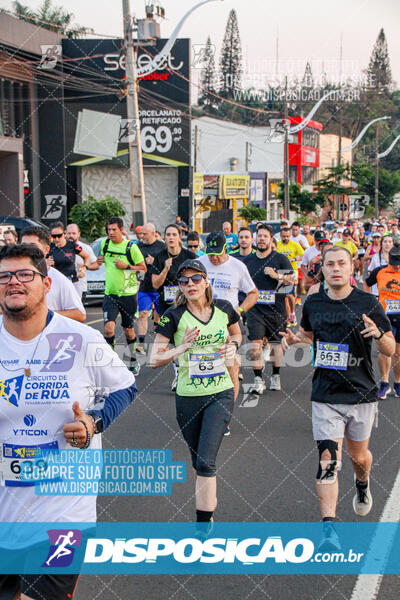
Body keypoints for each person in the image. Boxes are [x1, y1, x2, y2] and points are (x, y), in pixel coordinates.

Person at [0, 244, 137, 600]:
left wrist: (94, 421)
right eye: (4, 276)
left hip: (63, 511)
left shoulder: (82, 339)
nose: (13, 282)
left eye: (24, 275)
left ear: (47, 284)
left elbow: (124, 387)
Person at [281, 246, 394, 548]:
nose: (335, 269)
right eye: (329, 264)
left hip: (361, 393)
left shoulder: (368, 302)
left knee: (359, 457)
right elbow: (307, 336)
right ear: (324, 269)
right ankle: (328, 528)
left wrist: (379, 335)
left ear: (351, 268)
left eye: (341, 263)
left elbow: (390, 350)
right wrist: (296, 341)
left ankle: (362, 482)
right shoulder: (314, 302)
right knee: (328, 459)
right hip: (325, 393)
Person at [150, 258, 241, 534]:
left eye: (196, 279)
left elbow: (236, 334)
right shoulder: (173, 316)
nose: (190, 285)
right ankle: (208, 503)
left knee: (205, 461)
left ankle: (203, 526)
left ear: (206, 281)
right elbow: (154, 359)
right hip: (188, 397)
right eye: (184, 281)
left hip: (220, 393)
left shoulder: (224, 309)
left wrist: (233, 347)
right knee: (198, 462)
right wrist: (181, 348)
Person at [198, 232, 258, 407]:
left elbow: (253, 293)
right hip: (202, 324)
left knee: (230, 368)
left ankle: (224, 414)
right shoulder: (199, 264)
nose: (214, 258)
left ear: (226, 248)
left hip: (228, 325)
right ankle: (206, 410)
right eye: (210, 253)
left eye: (217, 253)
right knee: (203, 369)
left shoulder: (237, 266)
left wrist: (240, 310)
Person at [245, 223, 294, 393]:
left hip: (276, 309)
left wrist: (275, 275)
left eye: (265, 236)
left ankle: (275, 375)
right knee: (255, 343)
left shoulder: (279, 258)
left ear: (271, 240)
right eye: (259, 236)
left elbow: (292, 280)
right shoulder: (249, 260)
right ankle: (258, 379)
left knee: (275, 345)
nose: (261, 239)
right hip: (255, 309)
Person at [96, 217, 146, 376]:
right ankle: (110, 362)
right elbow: (102, 262)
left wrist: (127, 267)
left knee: (128, 331)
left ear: (121, 229)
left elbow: (143, 269)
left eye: (114, 230)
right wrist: (95, 263)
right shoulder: (105, 245)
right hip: (110, 294)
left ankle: (133, 360)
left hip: (128, 295)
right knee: (108, 329)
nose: (110, 233)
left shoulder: (131, 247)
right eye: (108, 230)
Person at [152, 224, 196, 390]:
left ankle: (189, 371)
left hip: (186, 304)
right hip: (166, 305)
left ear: (179, 237)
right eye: (167, 234)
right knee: (170, 341)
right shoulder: (160, 257)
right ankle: (178, 373)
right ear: (164, 238)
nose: (170, 237)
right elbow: (155, 284)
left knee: (185, 337)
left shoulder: (189, 256)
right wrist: (165, 269)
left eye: (173, 234)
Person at [20, 226, 86, 323]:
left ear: (46, 250)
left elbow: (80, 314)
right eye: (23, 245)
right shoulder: (10, 278)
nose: (27, 250)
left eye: (32, 246)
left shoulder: (59, 280)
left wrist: (45, 314)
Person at [364, 245, 400, 399]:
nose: (396, 265)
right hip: (385, 316)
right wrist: (368, 302)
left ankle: (398, 383)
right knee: (384, 350)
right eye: (393, 262)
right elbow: (367, 283)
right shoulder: (380, 271)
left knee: (398, 353)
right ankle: (384, 383)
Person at [137, 223, 165, 349]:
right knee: (143, 314)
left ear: (153, 233)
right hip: (144, 287)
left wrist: (154, 263)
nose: (142, 236)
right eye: (141, 233)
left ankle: (161, 344)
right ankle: (141, 344)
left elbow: (167, 266)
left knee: (161, 316)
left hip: (160, 288)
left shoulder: (162, 247)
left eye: (145, 233)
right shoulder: (138, 247)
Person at [49, 221, 90, 296]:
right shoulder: (50, 248)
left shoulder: (72, 245)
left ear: (64, 234)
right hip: (56, 284)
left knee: (76, 307)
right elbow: (40, 263)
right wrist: (46, 263)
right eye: (54, 236)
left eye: (59, 235)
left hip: (72, 282)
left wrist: (84, 268)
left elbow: (86, 257)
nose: (57, 239)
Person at [277, 227, 304, 325]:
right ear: (280, 236)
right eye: (284, 236)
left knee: (289, 294)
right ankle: (288, 317)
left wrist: (295, 259)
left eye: (288, 236)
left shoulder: (294, 245)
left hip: (292, 271)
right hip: (281, 272)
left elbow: (303, 255)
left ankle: (292, 313)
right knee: (284, 297)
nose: (286, 238)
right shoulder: (278, 245)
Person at [66, 223, 99, 302]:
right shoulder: (60, 247)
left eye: (74, 233)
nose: (71, 235)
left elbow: (96, 265)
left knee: (79, 313)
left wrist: (85, 267)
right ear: (65, 233)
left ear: (78, 234)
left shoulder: (86, 248)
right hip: (64, 287)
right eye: (69, 233)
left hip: (80, 287)